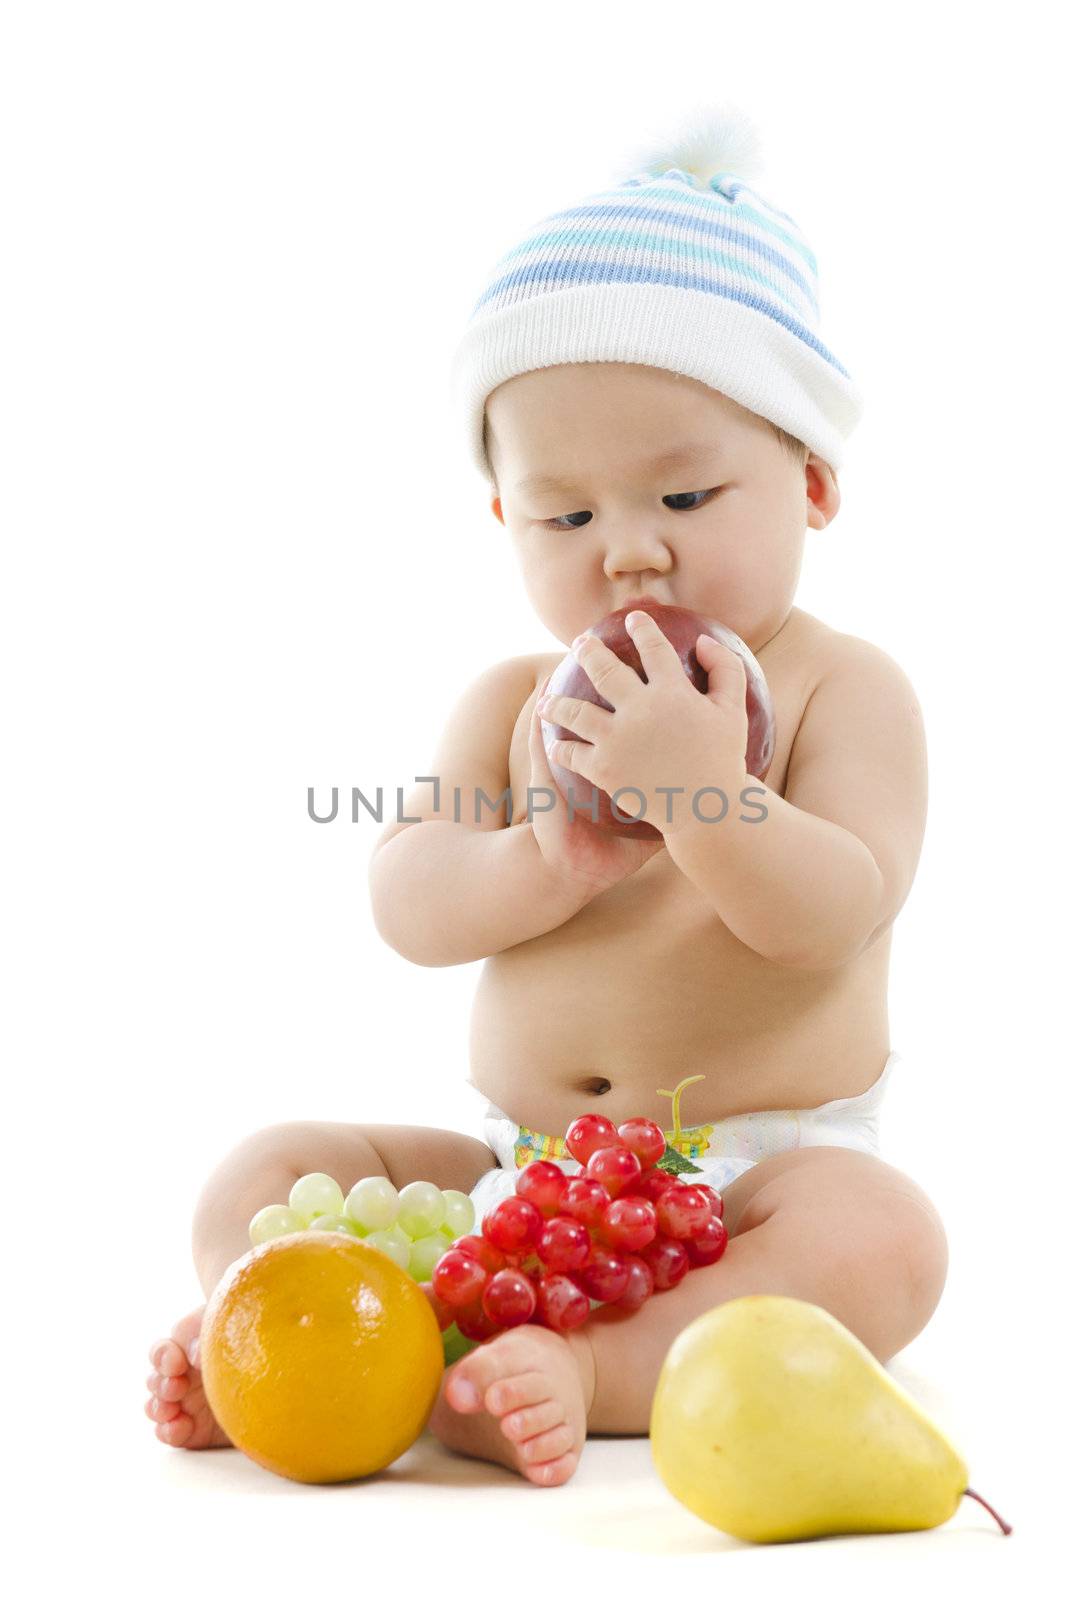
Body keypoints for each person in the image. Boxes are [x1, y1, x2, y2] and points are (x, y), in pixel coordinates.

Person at [145, 109, 948, 1488]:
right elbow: (408, 897)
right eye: (564, 517)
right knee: (262, 1168)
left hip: (748, 1180)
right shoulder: (514, 701)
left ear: (812, 484)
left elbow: (837, 915)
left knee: (884, 1236)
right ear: (502, 523)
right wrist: (551, 859)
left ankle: (597, 1363)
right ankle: (299, 1341)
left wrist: (708, 801)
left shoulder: (838, 691)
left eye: (686, 495)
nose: (629, 554)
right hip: (530, 1175)